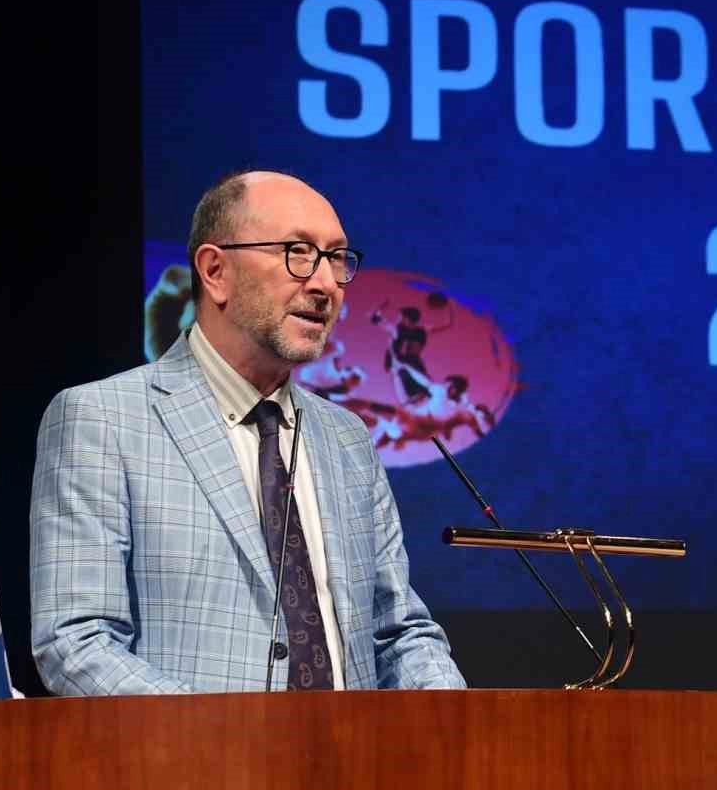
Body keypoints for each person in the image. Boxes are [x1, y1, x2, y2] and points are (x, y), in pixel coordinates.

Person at [30, 170, 466, 694]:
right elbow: (78, 642)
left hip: (353, 747)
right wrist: (226, 738)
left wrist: (458, 724)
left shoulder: (347, 437)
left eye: (335, 258)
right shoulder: (103, 420)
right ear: (215, 271)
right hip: (193, 748)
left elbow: (398, 634)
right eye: (298, 252)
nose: (325, 284)